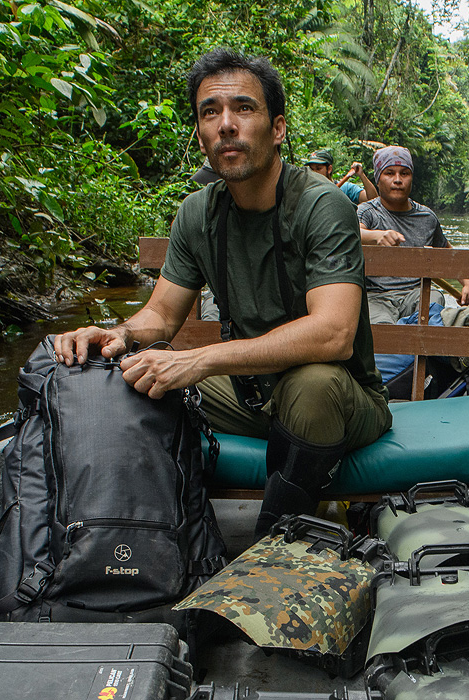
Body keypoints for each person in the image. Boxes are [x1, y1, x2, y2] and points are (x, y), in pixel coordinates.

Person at [54, 48, 391, 538]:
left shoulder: (322, 205)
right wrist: (119, 334)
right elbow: (162, 316)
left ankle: (274, 545)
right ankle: (142, 535)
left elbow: (334, 334)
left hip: (341, 399)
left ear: (277, 129)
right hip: (250, 394)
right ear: (199, 134)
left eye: (244, 109)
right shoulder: (198, 212)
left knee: (311, 384)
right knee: (122, 375)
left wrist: (201, 360)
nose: (226, 125)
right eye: (210, 112)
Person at [357, 145, 469, 324]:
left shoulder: (427, 217)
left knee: (436, 298)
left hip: (415, 295)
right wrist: (376, 236)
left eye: (404, 173)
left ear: (411, 178)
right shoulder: (368, 212)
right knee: (381, 327)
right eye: (389, 173)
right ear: (378, 179)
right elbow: (353, 232)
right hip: (375, 297)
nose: (397, 180)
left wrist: (466, 283)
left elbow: (447, 253)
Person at [305, 149, 378, 204]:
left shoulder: (345, 188)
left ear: (329, 169)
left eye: (318, 169)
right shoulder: (309, 192)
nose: (314, 173)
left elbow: (373, 199)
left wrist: (362, 175)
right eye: (312, 169)